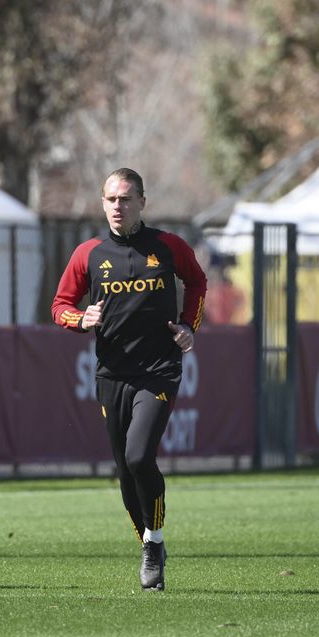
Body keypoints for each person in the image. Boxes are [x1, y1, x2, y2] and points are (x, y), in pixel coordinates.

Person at [52, 168, 207, 591]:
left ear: (142, 202)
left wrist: (189, 326)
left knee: (140, 456)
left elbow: (196, 281)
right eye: (110, 200)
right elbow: (61, 304)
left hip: (158, 370)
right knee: (124, 470)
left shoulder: (169, 247)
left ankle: (153, 545)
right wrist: (81, 319)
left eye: (125, 199)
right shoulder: (89, 254)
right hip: (112, 373)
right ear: (102, 204)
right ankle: (147, 538)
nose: (117, 207)